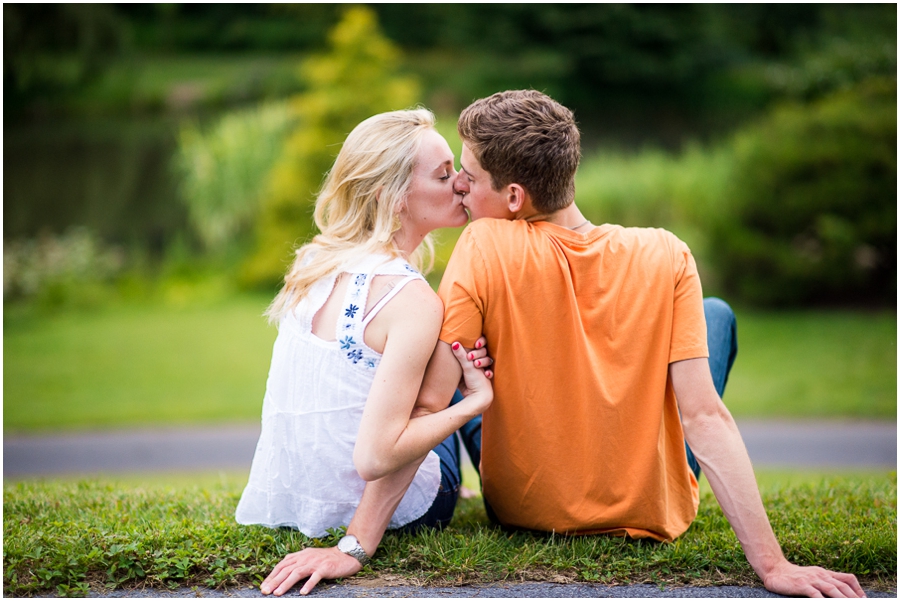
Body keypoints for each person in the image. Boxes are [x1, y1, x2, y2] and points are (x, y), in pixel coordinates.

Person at [412, 90, 864, 598]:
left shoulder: (482, 244)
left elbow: (432, 400)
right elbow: (704, 416)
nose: (459, 189)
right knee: (715, 316)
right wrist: (772, 564)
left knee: (456, 349)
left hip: (526, 508)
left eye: (469, 178)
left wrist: (354, 545)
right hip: (652, 509)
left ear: (514, 197)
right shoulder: (668, 252)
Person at [233, 108, 494, 596]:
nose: (462, 182)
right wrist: (476, 399)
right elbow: (376, 456)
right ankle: (522, 508)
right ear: (393, 199)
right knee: (469, 373)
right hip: (400, 511)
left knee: (448, 365)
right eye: (444, 175)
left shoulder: (313, 261)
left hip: (302, 502)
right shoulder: (412, 301)